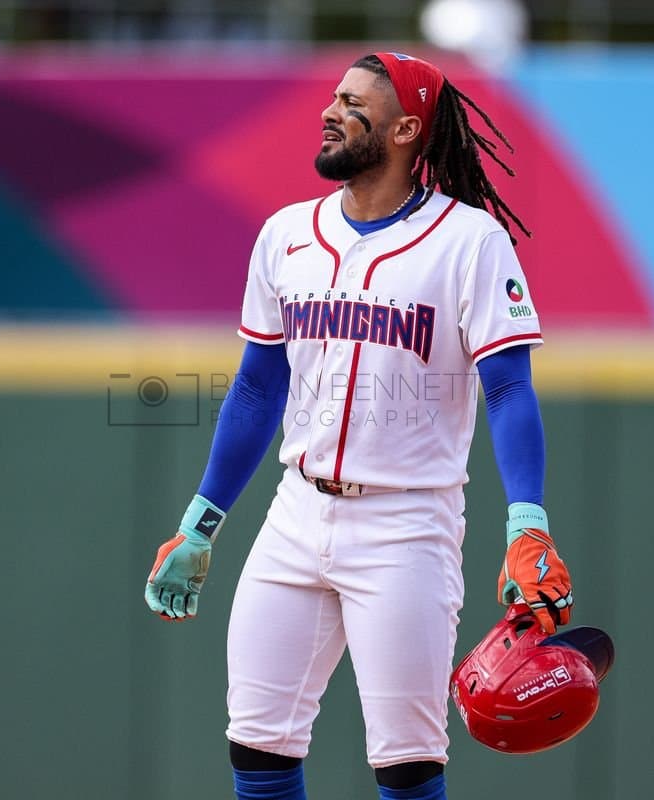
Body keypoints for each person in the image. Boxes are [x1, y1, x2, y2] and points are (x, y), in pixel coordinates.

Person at [144, 52, 575, 800]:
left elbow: (507, 390)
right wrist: (200, 524)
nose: (331, 109)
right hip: (295, 512)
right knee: (257, 749)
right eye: (335, 96)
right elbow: (257, 386)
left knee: (407, 767)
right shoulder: (286, 234)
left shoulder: (469, 242)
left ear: (407, 128)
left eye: (354, 102)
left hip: (407, 524)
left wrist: (527, 524)